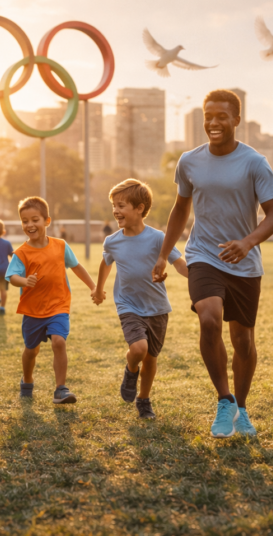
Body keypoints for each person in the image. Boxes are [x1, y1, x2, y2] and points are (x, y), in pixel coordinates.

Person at [153, 89, 273, 438]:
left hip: (244, 262)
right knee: (209, 320)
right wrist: (164, 254)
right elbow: (180, 209)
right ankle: (224, 400)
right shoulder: (189, 161)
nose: (213, 122)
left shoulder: (254, 162)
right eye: (208, 116)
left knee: (243, 342)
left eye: (221, 116)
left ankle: (241, 408)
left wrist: (247, 243)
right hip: (203, 255)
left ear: (236, 120)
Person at [92, 179, 188, 419]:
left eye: (122, 205)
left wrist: (200, 278)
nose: (116, 210)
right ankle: (130, 369)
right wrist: (99, 288)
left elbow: (179, 264)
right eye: (114, 205)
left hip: (157, 307)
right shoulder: (112, 241)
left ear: (140, 208)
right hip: (128, 304)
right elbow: (105, 263)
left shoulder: (158, 238)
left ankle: (144, 400)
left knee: (151, 358)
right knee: (138, 348)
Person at [6, 196, 96, 404]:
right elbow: (12, 277)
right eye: (25, 221)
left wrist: (93, 287)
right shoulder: (21, 253)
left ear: (47, 221)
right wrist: (24, 281)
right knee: (31, 350)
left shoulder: (61, 246)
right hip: (33, 310)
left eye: (35, 219)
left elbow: (76, 267)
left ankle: (60, 389)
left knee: (59, 341)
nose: (30, 225)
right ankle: (27, 380)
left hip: (58, 306)